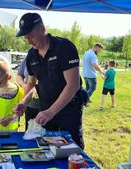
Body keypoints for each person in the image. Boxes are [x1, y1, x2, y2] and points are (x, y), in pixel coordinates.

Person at [14, 12, 84, 149]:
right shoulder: (31, 56)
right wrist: (24, 102)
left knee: (72, 151)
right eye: (25, 37)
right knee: (46, 150)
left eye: (31, 36)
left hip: (68, 110)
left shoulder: (64, 47)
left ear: (42, 29)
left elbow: (73, 84)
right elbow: (31, 84)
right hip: (46, 111)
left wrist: (51, 111)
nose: (28, 40)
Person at [16, 57, 40, 130]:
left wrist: (51, 111)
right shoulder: (30, 56)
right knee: (29, 133)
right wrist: (24, 85)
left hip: (48, 107)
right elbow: (19, 75)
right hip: (30, 105)